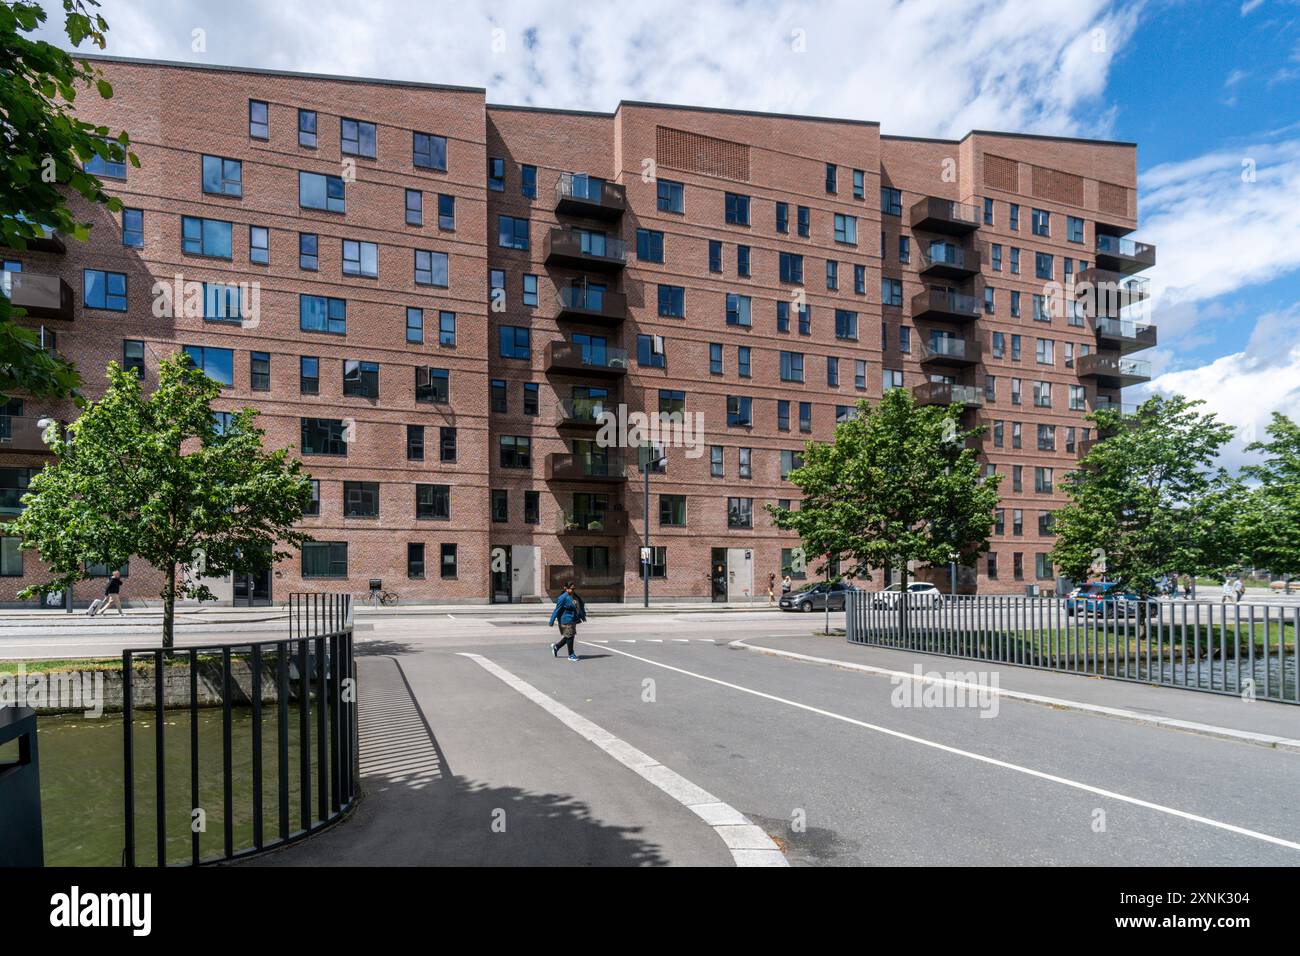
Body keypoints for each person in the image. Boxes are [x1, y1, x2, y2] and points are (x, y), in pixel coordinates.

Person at [548, 580, 586, 661]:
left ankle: (556, 647)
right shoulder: (562, 598)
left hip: (572, 619)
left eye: (574, 589)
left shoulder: (574, 596)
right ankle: (571, 655)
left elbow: (578, 606)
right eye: (571, 589)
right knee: (570, 636)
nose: (572, 590)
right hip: (565, 619)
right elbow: (557, 610)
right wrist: (551, 621)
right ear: (566, 588)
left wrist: (580, 615)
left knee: (568, 636)